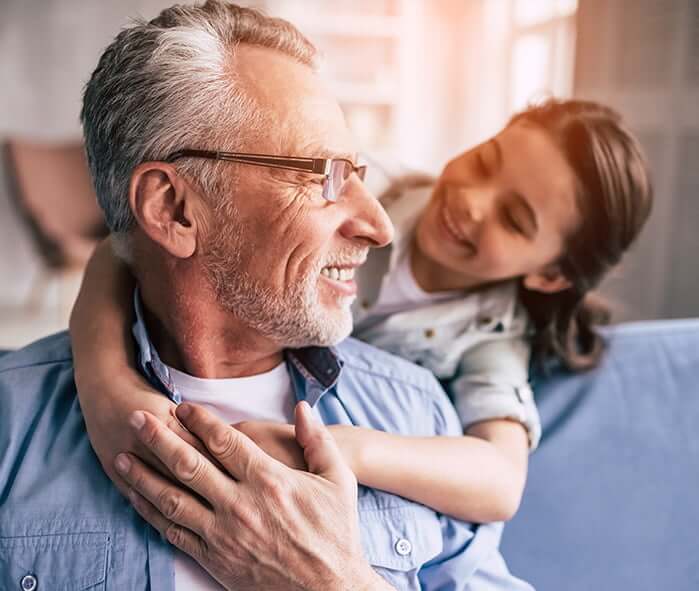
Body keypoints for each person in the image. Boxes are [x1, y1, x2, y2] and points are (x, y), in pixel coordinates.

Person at [0, 2, 534, 590]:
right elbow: (116, 253)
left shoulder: (416, 414)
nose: (379, 226)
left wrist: (333, 581)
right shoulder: (14, 420)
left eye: (358, 172)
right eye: (323, 175)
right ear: (174, 209)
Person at [72, 94, 654, 528]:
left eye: (515, 219)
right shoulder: (370, 181)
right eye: (485, 161)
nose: (472, 202)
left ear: (549, 274)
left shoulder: (491, 337)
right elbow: (124, 247)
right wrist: (107, 389)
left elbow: (500, 482)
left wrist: (342, 448)